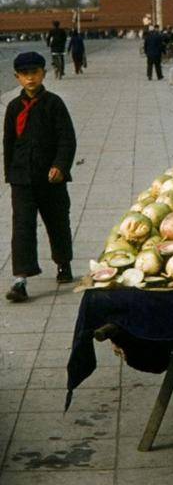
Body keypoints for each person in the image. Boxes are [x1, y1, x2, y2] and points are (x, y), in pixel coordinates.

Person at [4, 52, 77, 302]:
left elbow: (67, 139)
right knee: (22, 227)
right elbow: (9, 142)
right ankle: (21, 280)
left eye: (35, 73)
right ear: (17, 78)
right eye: (25, 75)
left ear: (43, 74)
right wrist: (11, 174)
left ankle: (63, 263)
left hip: (50, 178)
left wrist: (61, 166)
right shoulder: (13, 108)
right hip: (22, 179)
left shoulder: (54, 103)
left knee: (57, 222)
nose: (30, 78)